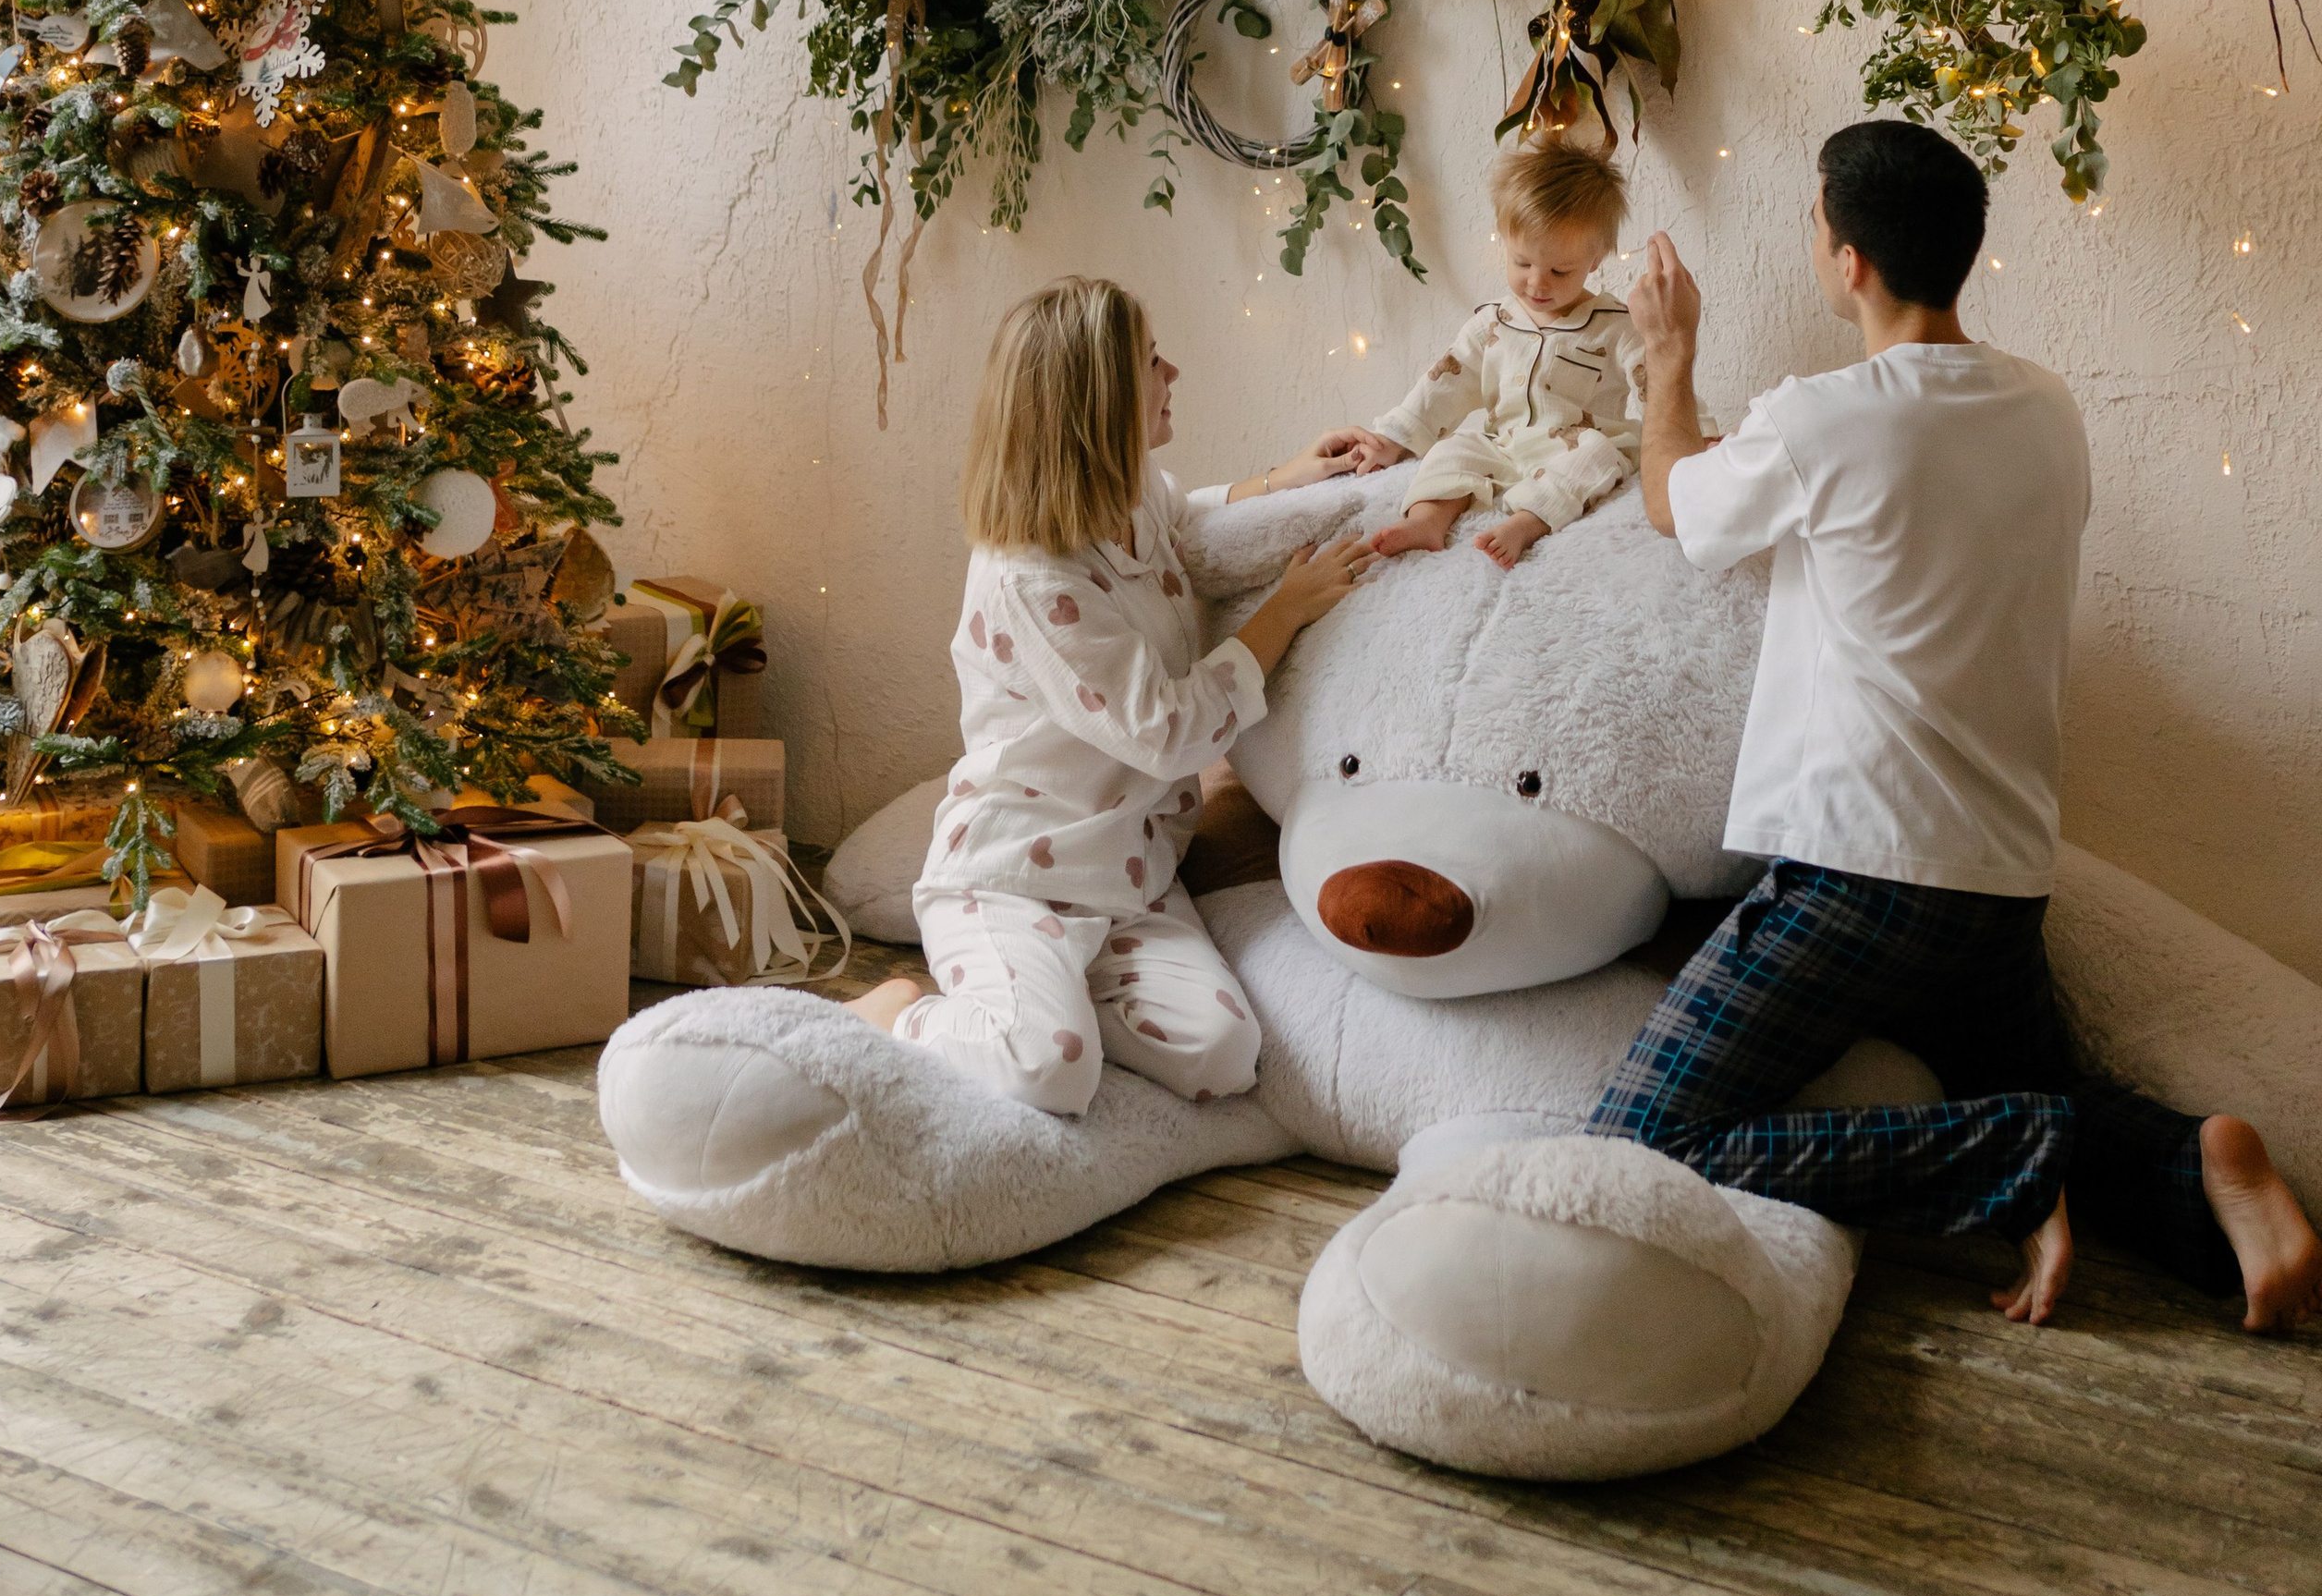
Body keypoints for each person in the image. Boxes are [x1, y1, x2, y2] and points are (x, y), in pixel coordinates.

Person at [1592, 115, 2322, 1333]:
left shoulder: (1821, 415)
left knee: (1646, 1136)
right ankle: (2203, 1168)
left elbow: (1675, 505)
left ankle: (2005, 1152)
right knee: (2064, 1124)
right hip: (1997, 874)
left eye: (1819, 226)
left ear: (1850, 264)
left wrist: (1668, 360)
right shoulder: (2047, 411)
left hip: (1859, 874)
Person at [849, 276, 1370, 1109]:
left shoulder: (1133, 496)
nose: (1174, 374)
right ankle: (898, 1020)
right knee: (1046, 1070)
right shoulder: (1032, 578)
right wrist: (1285, 611)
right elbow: (1167, 733)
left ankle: (1053, 1001)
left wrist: (1289, 476)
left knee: (1222, 1054)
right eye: (1152, 363)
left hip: (1130, 878)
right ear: (1099, 400)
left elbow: (1192, 525)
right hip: (1014, 873)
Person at [1335, 140, 1697, 564]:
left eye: (1559, 271)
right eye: (1522, 263)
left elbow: (1662, 386)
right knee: (1452, 450)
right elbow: (1444, 383)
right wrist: (1393, 439)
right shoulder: (1492, 324)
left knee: (1602, 456)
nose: (1537, 284)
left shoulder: (1617, 326)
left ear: (1595, 259)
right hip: (1502, 444)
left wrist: (1699, 436)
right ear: (1505, 242)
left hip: (1575, 448)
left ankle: (1526, 523)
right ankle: (1427, 521)